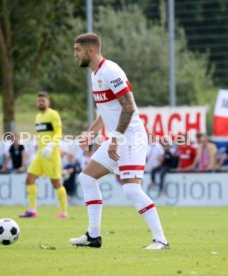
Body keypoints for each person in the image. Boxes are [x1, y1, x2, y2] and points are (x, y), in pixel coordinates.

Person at [70, 33, 169, 250]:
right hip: (118, 138)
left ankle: (161, 240)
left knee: (131, 190)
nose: (74, 55)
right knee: (86, 177)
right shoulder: (95, 74)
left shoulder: (111, 71)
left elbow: (128, 107)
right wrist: (91, 132)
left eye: (77, 50)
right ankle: (93, 236)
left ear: (90, 51)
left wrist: (114, 138)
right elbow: (107, 111)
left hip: (131, 138)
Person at [19, 91, 68, 218]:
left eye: (43, 101)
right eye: (39, 101)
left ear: (48, 102)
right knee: (29, 179)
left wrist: (51, 145)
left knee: (55, 183)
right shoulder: (38, 117)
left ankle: (63, 212)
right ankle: (32, 210)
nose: (41, 103)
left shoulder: (53, 114)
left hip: (51, 154)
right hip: (40, 155)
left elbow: (58, 132)